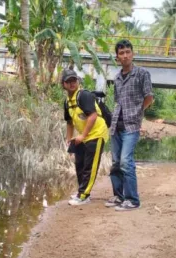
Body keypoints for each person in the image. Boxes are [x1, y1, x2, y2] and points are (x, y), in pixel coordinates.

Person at [105, 39, 154, 211]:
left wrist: (138, 111)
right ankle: (119, 196)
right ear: (117, 57)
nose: (125, 55)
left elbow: (149, 97)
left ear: (132, 54)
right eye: (121, 53)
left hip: (131, 125)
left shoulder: (142, 74)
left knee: (126, 161)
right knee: (116, 162)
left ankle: (133, 200)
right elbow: (118, 101)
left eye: (127, 52)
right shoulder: (117, 77)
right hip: (116, 125)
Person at [62, 69, 109, 206]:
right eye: (68, 81)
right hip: (83, 136)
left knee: (90, 166)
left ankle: (83, 195)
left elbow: (93, 115)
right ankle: (81, 192)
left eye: (74, 80)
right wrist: (69, 139)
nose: (72, 83)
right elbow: (69, 122)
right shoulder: (67, 101)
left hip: (96, 134)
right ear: (63, 84)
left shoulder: (84, 95)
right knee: (79, 165)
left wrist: (82, 135)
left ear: (78, 81)